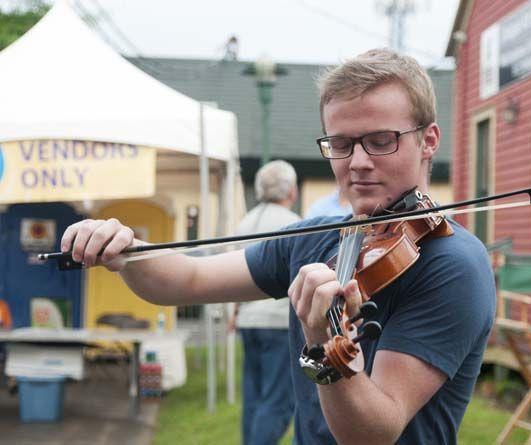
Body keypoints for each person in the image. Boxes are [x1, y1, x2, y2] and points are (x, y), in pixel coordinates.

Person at [60, 48, 496, 444]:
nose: (358, 163)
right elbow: (186, 279)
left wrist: (324, 342)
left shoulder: (453, 263)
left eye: (381, 140)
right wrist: (129, 250)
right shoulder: (316, 237)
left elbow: (373, 433)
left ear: (429, 141)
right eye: (341, 144)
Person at [230, 160, 300, 445]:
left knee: (254, 399)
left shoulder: (244, 223)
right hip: (278, 324)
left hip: (248, 321)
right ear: (291, 191)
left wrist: (234, 313)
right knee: (277, 401)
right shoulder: (294, 224)